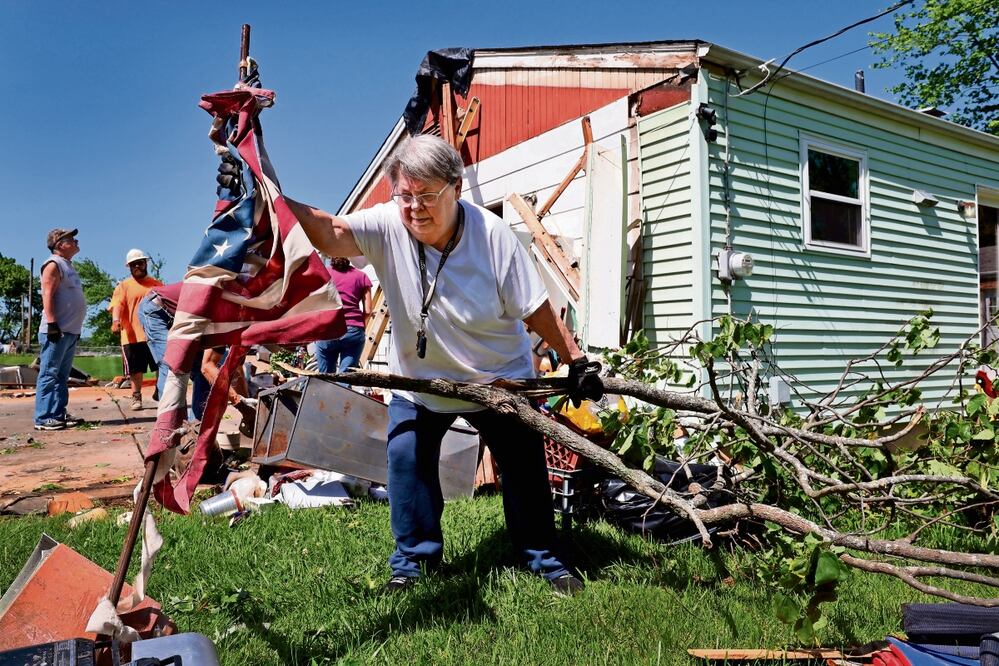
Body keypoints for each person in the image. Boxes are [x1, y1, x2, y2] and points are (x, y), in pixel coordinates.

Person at [276, 134, 603, 596]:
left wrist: (577, 361)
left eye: (427, 195)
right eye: (405, 195)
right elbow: (331, 231)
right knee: (407, 460)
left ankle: (542, 557)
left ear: (455, 189)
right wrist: (271, 197)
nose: (414, 207)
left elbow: (536, 308)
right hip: (421, 381)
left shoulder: (493, 237)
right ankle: (413, 563)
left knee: (523, 466)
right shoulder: (389, 223)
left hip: (498, 379)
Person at [34, 228, 87, 431]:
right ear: (59, 245)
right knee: (49, 373)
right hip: (57, 330)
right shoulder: (53, 264)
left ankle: (58, 413)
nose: (75, 241)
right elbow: (47, 294)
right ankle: (43, 416)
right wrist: (52, 323)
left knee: (62, 376)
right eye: (71, 239)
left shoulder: (68, 265)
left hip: (70, 330)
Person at [137, 282, 211, 421]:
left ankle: (196, 425)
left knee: (201, 368)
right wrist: (239, 403)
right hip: (155, 309)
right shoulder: (220, 294)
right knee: (171, 363)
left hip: (182, 317)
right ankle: (170, 426)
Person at [109, 249, 163, 410]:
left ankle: (160, 393)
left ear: (146, 263)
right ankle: (136, 397)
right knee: (135, 371)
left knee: (161, 365)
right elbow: (118, 305)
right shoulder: (124, 286)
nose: (137, 266)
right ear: (129, 267)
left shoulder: (157, 285)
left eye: (140, 262)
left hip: (154, 335)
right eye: (134, 264)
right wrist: (116, 320)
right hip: (131, 336)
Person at [315, 257, 372, 373]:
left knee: (325, 379)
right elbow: (368, 311)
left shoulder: (323, 273)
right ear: (348, 256)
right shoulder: (362, 276)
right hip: (353, 331)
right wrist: (360, 327)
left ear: (331, 256)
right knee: (346, 377)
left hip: (328, 330)